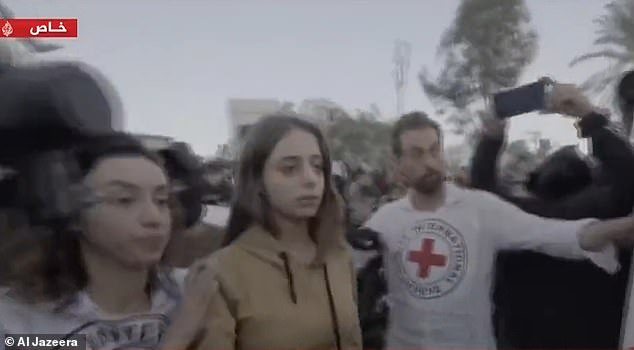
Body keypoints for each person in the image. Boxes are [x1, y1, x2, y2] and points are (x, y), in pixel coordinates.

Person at [363, 110, 634, 349]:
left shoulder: (482, 208)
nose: (430, 162)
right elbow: (343, 261)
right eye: (416, 154)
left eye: (435, 150)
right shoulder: (385, 220)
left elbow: (554, 234)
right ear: (397, 163)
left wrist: (620, 228)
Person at [162, 114, 362, 350]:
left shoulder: (339, 256)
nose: (310, 179)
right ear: (258, 180)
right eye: (289, 168)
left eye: (318, 167)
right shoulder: (222, 272)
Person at [471, 83, 634, 349]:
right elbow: (627, 175)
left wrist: (491, 138)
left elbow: (483, 189)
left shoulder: (515, 219)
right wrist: (588, 116)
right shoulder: (609, 213)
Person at [0, 133, 186, 349]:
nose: (154, 218)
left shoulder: (197, 293)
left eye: (161, 201)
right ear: (74, 214)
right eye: (124, 199)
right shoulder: (17, 325)